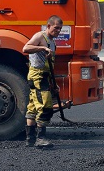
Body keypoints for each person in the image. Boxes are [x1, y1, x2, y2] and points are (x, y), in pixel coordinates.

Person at [23, 15, 63, 148]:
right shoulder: (40, 37)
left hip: (45, 76)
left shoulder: (53, 43)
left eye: (60, 29)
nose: (58, 31)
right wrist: (42, 48)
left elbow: (50, 65)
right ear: (48, 26)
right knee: (45, 105)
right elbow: (26, 48)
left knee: (33, 106)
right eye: (56, 28)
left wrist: (54, 83)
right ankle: (41, 138)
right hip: (37, 76)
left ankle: (30, 139)